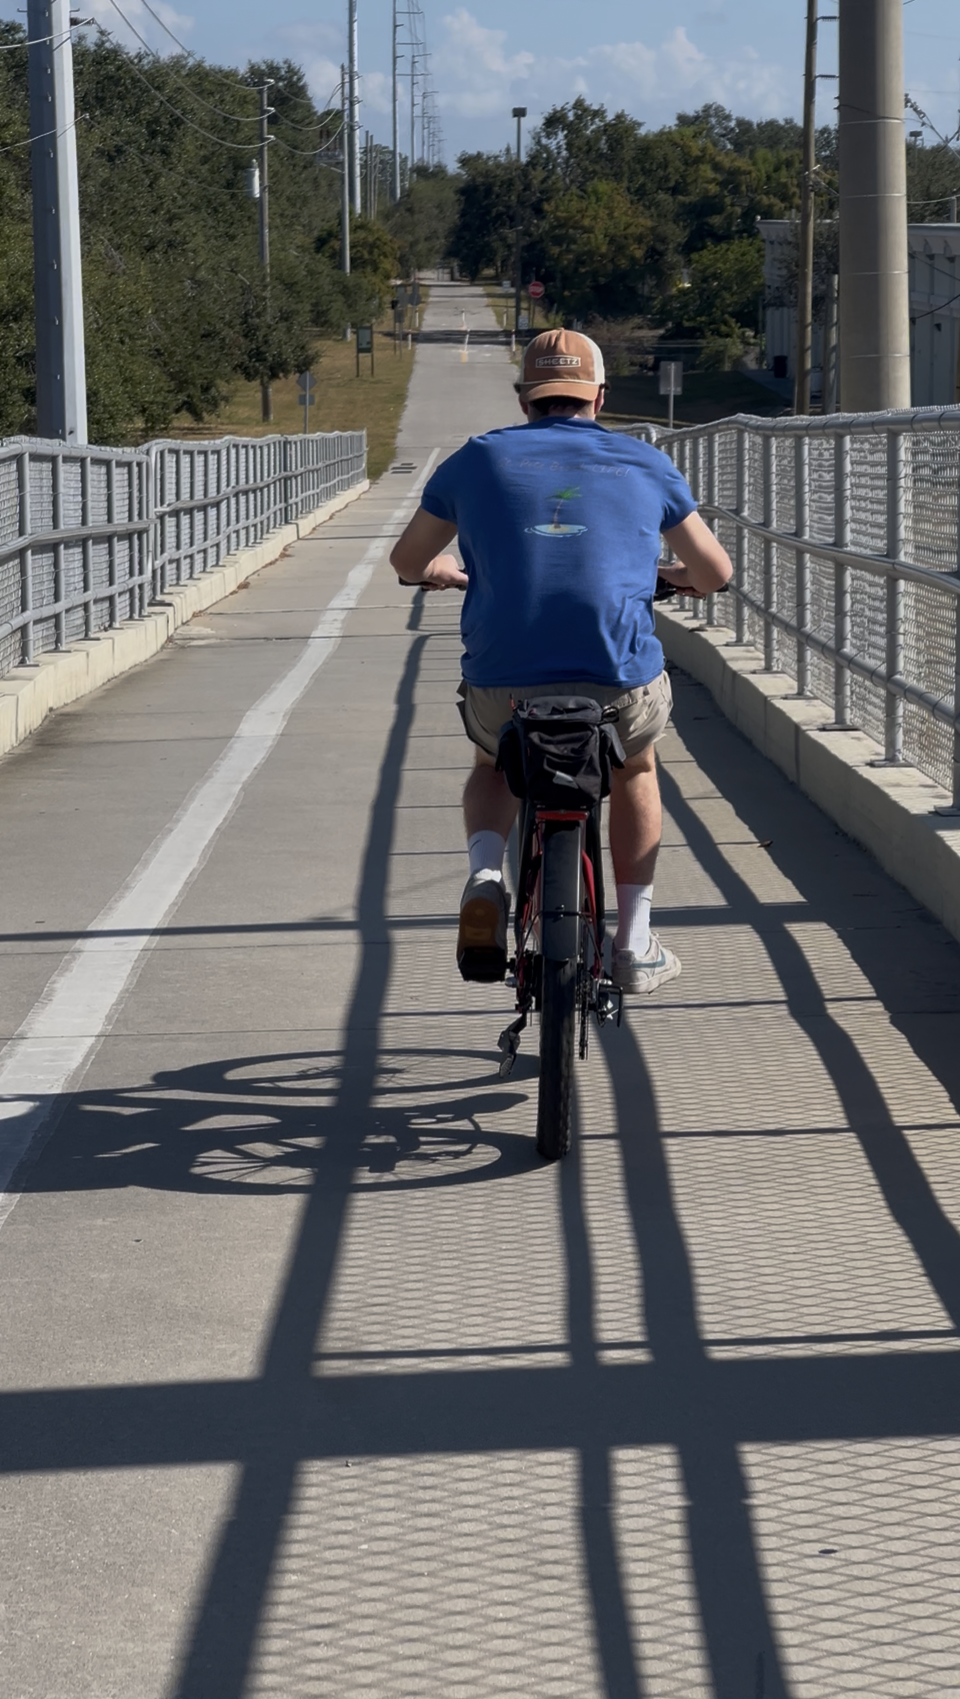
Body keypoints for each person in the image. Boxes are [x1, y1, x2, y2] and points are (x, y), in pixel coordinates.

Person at [390, 328, 732, 993]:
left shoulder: (478, 459)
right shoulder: (644, 462)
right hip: (616, 683)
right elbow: (715, 570)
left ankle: (488, 876)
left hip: (505, 685)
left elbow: (407, 561)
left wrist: (442, 572)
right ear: (598, 397)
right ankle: (633, 939)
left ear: (526, 399)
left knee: (493, 761)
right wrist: (674, 576)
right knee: (636, 764)